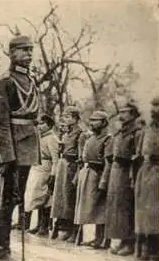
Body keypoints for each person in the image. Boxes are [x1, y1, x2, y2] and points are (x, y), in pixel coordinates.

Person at [0, 35, 40, 261]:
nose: (28, 54)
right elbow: (1, 121)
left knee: (14, 198)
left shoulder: (29, 79)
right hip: (12, 147)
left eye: (30, 50)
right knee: (9, 199)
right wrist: (8, 155)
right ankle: (2, 250)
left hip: (26, 144)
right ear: (11, 52)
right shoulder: (5, 81)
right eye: (23, 50)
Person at [105, 99, 143, 256]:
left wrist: (132, 174)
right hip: (116, 170)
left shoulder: (137, 132)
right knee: (117, 206)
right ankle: (120, 239)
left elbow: (138, 154)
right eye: (120, 112)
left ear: (133, 114)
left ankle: (129, 242)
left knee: (127, 206)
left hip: (128, 171)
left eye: (124, 112)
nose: (121, 115)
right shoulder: (121, 131)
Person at [73, 111, 112, 248]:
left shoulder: (108, 139)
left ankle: (101, 239)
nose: (92, 123)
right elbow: (83, 159)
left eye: (96, 120)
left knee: (100, 208)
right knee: (86, 207)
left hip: (98, 174)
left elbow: (108, 163)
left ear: (104, 122)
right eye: (91, 120)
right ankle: (91, 237)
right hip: (87, 173)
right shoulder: (89, 139)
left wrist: (103, 181)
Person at [49, 106, 86, 243]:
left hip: (72, 167)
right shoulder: (65, 134)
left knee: (71, 198)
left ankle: (73, 230)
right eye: (64, 116)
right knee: (61, 198)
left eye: (68, 116)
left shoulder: (81, 134)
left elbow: (81, 156)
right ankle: (62, 227)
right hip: (63, 165)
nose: (65, 119)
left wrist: (77, 174)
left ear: (75, 118)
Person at [134, 97, 159, 261]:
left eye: (158, 106)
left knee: (158, 212)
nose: (154, 110)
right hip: (146, 171)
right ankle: (146, 246)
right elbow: (139, 152)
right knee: (145, 212)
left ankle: (157, 249)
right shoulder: (148, 130)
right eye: (153, 107)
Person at [23, 114, 59, 236]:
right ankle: (38, 225)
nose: (40, 126)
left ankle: (44, 226)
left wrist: (53, 175)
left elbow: (55, 159)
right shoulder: (39, 137)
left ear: (49, 125)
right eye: (39, 123)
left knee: (45, 196)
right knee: (34, 195)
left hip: (46, 167)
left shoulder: (52, 138)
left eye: (43, 123)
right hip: (36, 166)